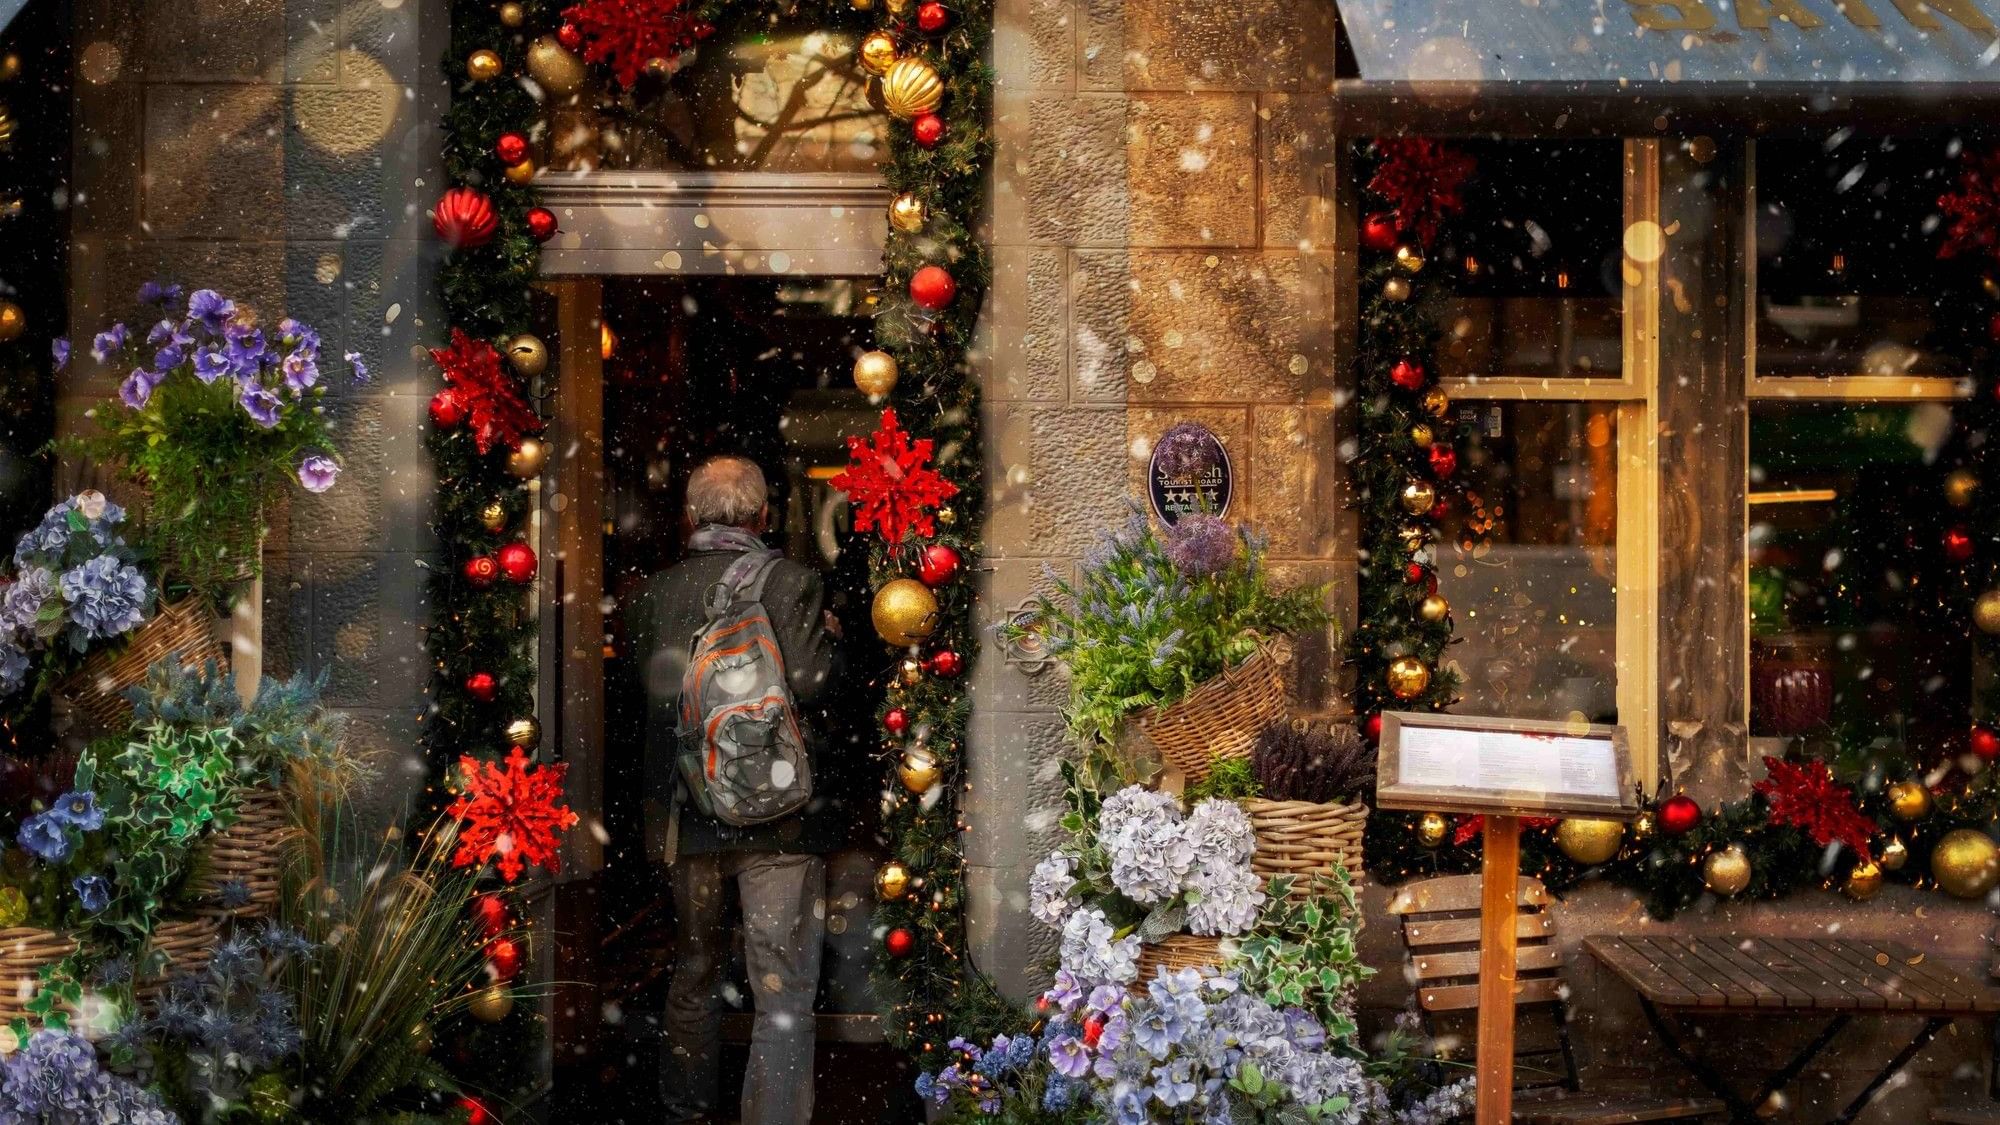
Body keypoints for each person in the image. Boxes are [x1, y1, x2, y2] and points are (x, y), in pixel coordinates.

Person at [627, 454, 842, 1125]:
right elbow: (810, 686)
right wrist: (832, 645)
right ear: (764, 515)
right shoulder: (794, 582)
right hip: (778, 812)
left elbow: (647, 694)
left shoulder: (654, 593)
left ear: (690, 516)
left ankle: (685, 1109)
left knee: (693, 969)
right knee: (780, 985)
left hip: (689, 811)